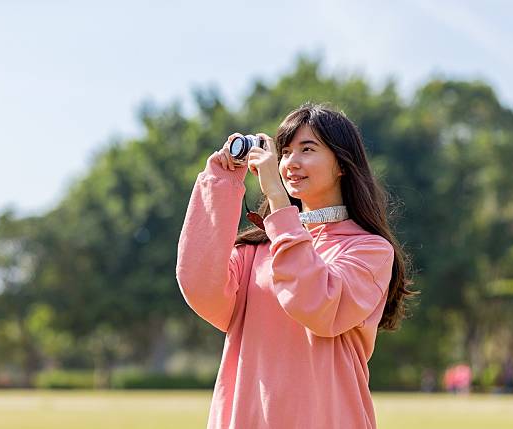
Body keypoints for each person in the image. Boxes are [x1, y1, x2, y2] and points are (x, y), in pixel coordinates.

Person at [176, 103, 416, 428]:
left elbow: (316, 306)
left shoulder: (369, 250)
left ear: (342, 164)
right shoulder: (257, 250)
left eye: (307, 149)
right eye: (285, 152)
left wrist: (277, 198)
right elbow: (200, 287)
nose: (290, 163)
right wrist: (221, 181)